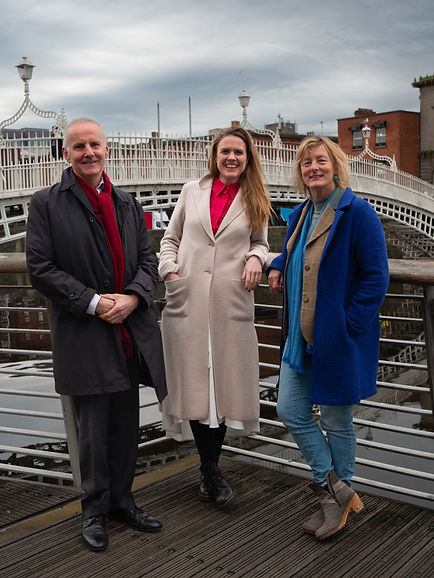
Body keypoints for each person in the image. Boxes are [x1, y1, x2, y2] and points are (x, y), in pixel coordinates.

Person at [26, 118, 167, 552]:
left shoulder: (126, 202)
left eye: (95, 144)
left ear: (108, 150)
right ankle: (93, 510)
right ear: (65, 154)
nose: (89, 152)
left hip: (128, 330)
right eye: (79, 146)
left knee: (126, 424)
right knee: (92, 429)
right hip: (85, 330)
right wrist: (93, 301)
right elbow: (41, 268)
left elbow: (148, 260)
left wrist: (133, 299)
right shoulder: (47, 202)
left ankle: (123, 502)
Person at [268, 136, 389, 540]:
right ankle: (337, 488)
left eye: (320, 161)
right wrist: (276, 263)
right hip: (299, 338)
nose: (313, 168)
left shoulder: (358, 213)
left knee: (337, 419)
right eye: (306, 164)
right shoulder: (302, 213)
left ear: (335, 166)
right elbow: (297, 251)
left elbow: (376, 277)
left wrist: (349, 323)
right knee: (289, 409)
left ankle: (332, 502)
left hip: (337, 337)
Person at [158, 126, 271, 508]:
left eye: (239, 152)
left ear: (248, 157)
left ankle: (209, 468)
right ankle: (211, 471)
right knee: (193, 383)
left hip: (228, 302)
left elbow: (260, 242)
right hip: (187, 300)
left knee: (220, 386)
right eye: (226, 151)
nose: (232, 158)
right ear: (215, 154)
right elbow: (169, 239)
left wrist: (257, 258)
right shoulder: (192, 191)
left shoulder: (255, 196)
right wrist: (171, 272)